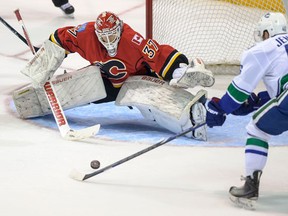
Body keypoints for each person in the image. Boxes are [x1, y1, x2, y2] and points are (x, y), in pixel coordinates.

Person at [16, 11, 215, 141]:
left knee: (148, 100)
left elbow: (159, 54)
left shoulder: (132, 39)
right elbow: (61, 38)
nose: (109, 40)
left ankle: (191, 117)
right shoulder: (85, 34)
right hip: (106, 80)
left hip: (136, 79)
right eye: (104, 36)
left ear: (119, 29)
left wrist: (179, 71)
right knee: (83, 83)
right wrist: (43, 64)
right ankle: (31, 101)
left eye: (113, 35)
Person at [205, 12, 288, 208]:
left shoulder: (262, 49)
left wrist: (220, 108)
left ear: (267, 33)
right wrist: (259, 100)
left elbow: (238, 92)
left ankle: (250, 186)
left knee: (257, 129)